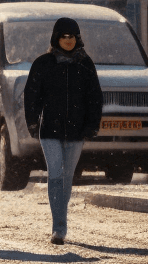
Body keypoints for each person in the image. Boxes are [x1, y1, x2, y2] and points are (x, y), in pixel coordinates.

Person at [24, 17, 103, 245]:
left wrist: (92, 126)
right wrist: (32, 121)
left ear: (77, 38)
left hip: (76, 132)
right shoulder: (43, 63)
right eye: (63, 36)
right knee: (55, 175)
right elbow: (32, 95)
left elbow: (94, 98)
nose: (68, 40)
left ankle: (61, 219)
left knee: (67, 177)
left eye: (72, 36)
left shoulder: (85, 65)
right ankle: (59, 228)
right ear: (56, 38)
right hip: (50, 131)